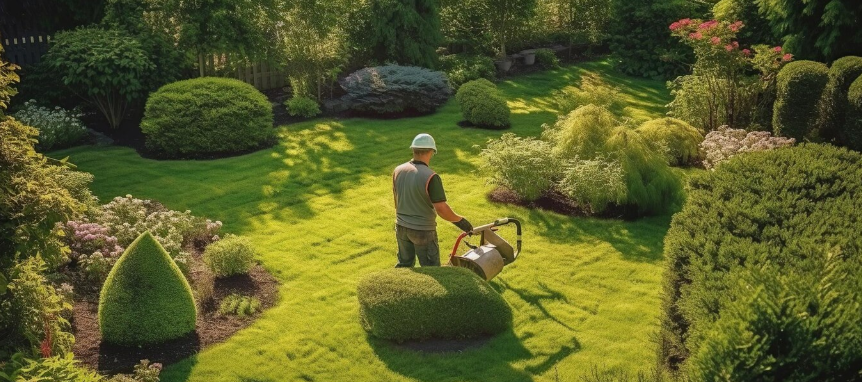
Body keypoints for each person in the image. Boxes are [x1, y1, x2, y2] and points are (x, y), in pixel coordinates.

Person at [392, 133, 473, 267]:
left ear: (413, 150)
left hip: (401, 227)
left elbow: (396, 200)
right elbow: (441, 209)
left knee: (404, 266)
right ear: (431, 152)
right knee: (431, 270)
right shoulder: (431, 176)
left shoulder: (398, 170)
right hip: (423, 231)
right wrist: (461, 221)